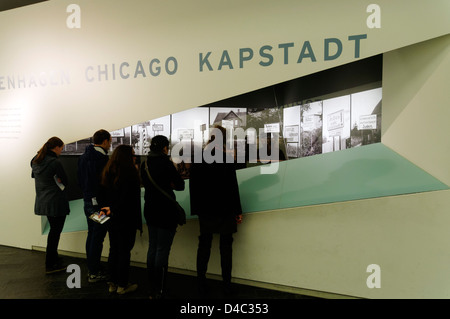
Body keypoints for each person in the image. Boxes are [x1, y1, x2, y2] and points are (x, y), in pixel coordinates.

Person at [189, 126, 243, 296]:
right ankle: (226, 285)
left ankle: (200, 283)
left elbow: (193, 186)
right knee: (226, 248)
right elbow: (233, 187)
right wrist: (237, 210)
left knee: (204, 245)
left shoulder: (198, 158)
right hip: (225, 209)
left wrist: (196, 209)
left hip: (206, 209)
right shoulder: (226, 158)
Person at [140, 135, 185, 299]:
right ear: (165, 148)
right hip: (166, 211)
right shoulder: (166, 163)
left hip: (150, 208)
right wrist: (170, 183)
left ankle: (152, 286)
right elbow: (180, 185)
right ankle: (160, 288)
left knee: (153, 247)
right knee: (162, 249)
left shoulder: (144, 164)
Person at [98, 145, 142, 295]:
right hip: (126, 219)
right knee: (124, 252)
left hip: (111, 218)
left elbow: (102, 195)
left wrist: (109, 210)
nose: (135, 156)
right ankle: (122, 285)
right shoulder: (130, 172)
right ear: (126, 156)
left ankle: (112, 283)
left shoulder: (108, 171)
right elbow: (131, 199)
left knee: (113, 250)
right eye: (133, 154)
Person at [31, 136, 70, 274]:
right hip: (56, 201)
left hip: (43, 200)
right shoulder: (55, 162)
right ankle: (50, 263)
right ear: (56, 147)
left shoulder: (35, 160)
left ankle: (53, 259)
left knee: (53, 232)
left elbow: (35, 177)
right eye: (61, 148)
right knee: (55, 233)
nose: (61, 151)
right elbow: (64, 181)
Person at [77, 129, 111, 283]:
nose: (110, 145)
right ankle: (93, 272)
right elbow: (104, 184)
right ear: (105, 141)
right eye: (110, 141)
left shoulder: (84, 156)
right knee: (97, 237)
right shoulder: (102, 159)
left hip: (87, 202)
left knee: (92, 235)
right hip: (99, 205)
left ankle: (92, 268)